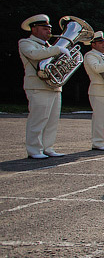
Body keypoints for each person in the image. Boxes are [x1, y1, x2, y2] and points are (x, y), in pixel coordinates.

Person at [18, 14, 68, 159]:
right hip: (37, 86)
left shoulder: (49, 46)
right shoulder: (26, 43)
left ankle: (48, 147)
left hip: (53, 86)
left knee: (52, 120)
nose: (48, 31)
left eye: (49, 28)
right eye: (44, 28)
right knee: (38, 119)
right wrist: (57, 50)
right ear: (34, 29)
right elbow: (33, 54)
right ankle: (34, 149)